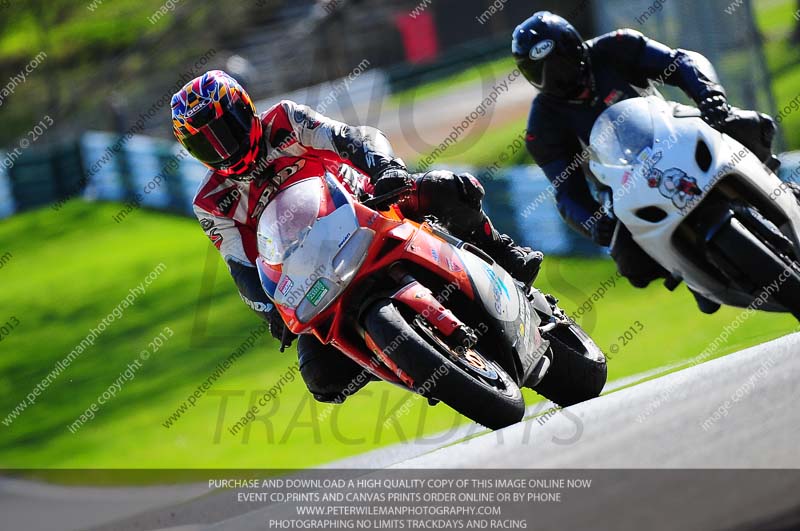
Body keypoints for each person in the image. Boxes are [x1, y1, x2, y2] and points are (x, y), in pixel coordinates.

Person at [171, 70, 543, 403]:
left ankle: (503, 251)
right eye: (206, 144)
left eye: (225, 131)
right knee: (322, 377)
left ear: (245, 110)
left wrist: (387, 170)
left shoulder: (285, 120)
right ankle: (402, 356)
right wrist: (270, 310)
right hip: (312, 272)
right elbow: (241, 267)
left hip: (370, 205)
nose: (222, 149)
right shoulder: (211, 202)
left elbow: (350, 138)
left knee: (448, 187)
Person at [511, 11, 792, 314]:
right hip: (621, 185)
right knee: (629, 259)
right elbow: (567, 192)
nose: (556, 76)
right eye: (541, 72)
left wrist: (709, 96)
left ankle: (780, 188)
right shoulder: (541, 126)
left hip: (676, 132)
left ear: (575, 47)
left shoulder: (617, 46)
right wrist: (593, 222)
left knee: (749, 125)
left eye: (560, 62)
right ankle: (687, 268)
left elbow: (681, 62)